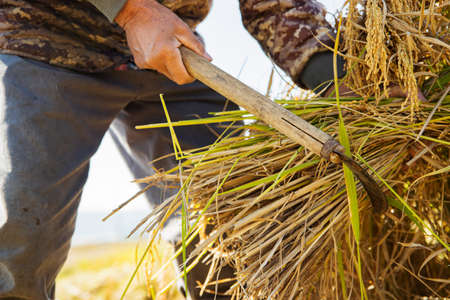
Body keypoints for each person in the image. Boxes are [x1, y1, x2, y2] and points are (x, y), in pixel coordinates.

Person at [0, 0, 356, 299]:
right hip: (43, 39)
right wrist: (131, 9)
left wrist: (339, 81)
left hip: (173, 58)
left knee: (226, 226)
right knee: (22, 232)